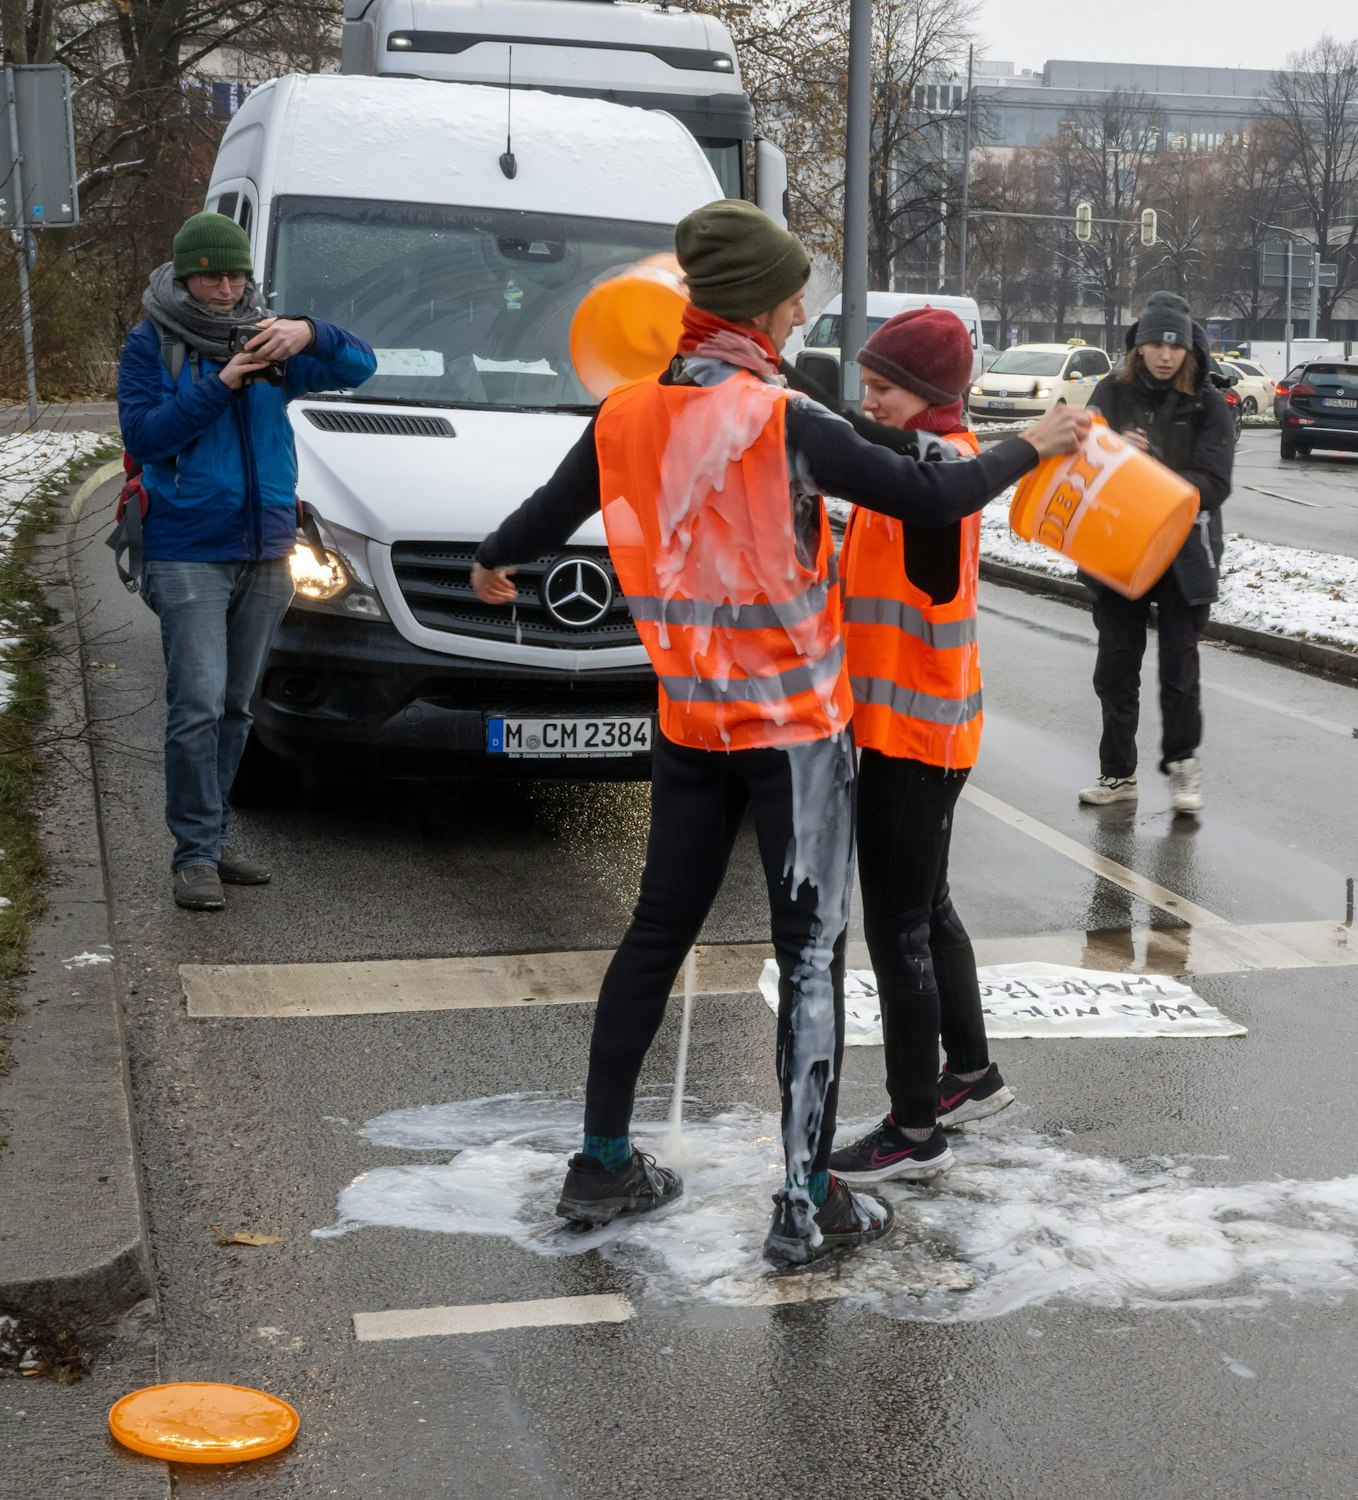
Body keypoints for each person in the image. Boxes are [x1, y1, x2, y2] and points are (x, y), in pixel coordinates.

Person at [467, 201, 1089, 1265]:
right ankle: (804, 1202)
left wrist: (493, 559)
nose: (805, 310)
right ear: (760, 303)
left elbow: (535, 517)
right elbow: (929, 496)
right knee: (808, 960)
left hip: (688, 724)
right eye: (796, 294)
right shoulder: (779, 421)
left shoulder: (625, 415)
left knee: (654, 935)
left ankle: (602, 1163)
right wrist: (1032, 443)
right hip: (793, 737)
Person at [117, 211, 377, 912]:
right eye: (211, 274)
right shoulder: (153, 344)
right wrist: (222, 382)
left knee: (236, 706)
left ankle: (212, 835)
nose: (226, 286)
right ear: (184, 274)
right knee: (197, 704)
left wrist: (311, 332)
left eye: (235, 273)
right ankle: (194, 856)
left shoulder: (272, 339)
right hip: (186, 552)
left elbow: (361, 366)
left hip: (265, 549)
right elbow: (145, 434)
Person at [822, 310, 1014, 1186]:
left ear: (931, 396)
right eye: (865, 389)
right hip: (921, 726)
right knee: (928, 910)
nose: (870, 405)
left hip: (913, 735)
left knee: (897, 926)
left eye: (884, 389)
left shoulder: (939, 468)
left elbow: (923, 517)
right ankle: (969, 1074)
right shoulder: (923, 462)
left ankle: (910, 1128)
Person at [1080, 291, 1235, 814]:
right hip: (1119, 549)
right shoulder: (1111, 391)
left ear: (1189, 349)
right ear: (1138, 347)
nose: (1165, 355)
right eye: (1154, 344)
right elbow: (1085, 453)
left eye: (1175, 345)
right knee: (1116, 667)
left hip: (1185, 554)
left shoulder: (1208, 402)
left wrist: (1150, 470)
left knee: (1179, 670)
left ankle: (1183, 767)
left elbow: (1214, 483)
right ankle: (1118, 775)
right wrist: (1113, 449)